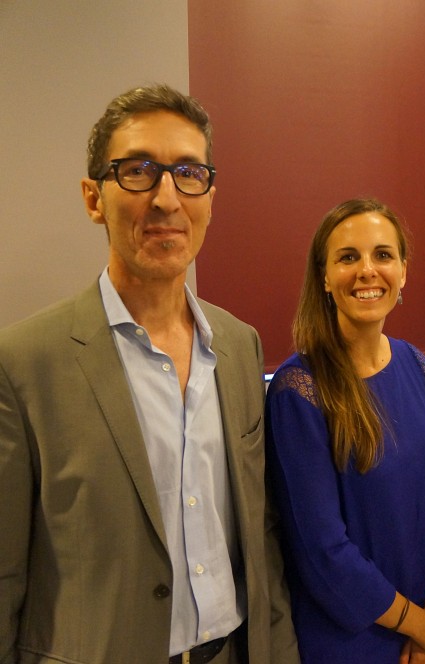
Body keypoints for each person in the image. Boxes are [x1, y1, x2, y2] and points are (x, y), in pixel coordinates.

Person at [0, 84, 299, 663]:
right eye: (139, 171)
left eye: (189, 173)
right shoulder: (24, 362)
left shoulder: (238, 347)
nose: (167, 199)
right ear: (94, 198)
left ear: (210, 196)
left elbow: (260, 540)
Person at [264, 198, 425, 663]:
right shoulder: (299, 389)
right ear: (325, 278)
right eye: (348, 257)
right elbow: (321, 549)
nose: (367, 270)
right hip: (351, 640)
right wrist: (417, 623)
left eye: (383, 255)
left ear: (403, 272)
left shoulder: (414, 363)